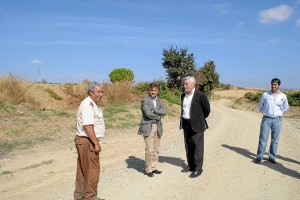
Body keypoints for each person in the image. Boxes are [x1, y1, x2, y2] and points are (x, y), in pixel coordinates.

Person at [74, 81, 105, 200]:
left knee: (83, 171)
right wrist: (96, 143)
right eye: (98, 92)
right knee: (92, 170)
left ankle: (81, 196)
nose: (101, 94)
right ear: (91, 92)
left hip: (85, 140)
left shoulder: (92, 104)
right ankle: (90, 197)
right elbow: (88, 126)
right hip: (87, 141)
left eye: (102, 92)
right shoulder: (88, 105)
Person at [180, 76, 210, 178]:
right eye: (184, 84)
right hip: (186, 124)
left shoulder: (201, 96)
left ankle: (198, 169)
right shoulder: (183, 96)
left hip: (197, 124)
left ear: (193, 84)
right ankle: (191, 166)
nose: (184, 85)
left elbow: (206, 111)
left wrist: (199, 119)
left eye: (186, 84)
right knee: (188, 146)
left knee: (198, 147)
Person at [255, 78, 289, 164]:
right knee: (263, 139)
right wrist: (266, 112)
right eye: (272, 84)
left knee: (275, 140)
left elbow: (286, 106)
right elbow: (260, 106)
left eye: (275, 85)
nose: (273, 86)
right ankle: (259, 157)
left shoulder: (283, 96)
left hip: (278, 120)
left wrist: (281, 112)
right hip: (266, 119)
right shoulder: (265, 95)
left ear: (278, 85)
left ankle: (272, 157)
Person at [138, 82, 166, 177]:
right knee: (149, 150)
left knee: (156, 149)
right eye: (151, 90)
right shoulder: (145, 100)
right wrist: (158, 116)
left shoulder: (159, 101)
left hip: (158, 127)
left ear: (158, 91)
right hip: (148, 126)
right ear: (149, 91)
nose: (153, 92)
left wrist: (156, 111)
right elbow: (147, 113)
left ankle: (154, 168)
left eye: (155, 90)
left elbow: (164, 111)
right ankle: (148, 169)